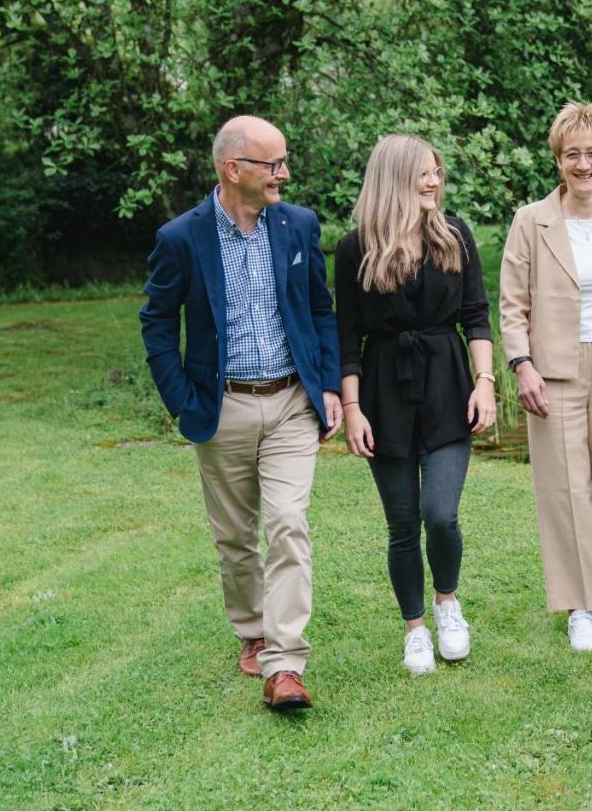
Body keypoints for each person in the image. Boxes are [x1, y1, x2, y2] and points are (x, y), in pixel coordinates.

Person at [140, 115, 342, 711]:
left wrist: (327, 384)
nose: (285, 173)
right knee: (235, 538)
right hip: (221, 405)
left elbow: (321, 311)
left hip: (290, 405)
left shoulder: (298, 225)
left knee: (287, 523)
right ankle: (252, 631)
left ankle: (284, 662)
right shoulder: (182, 238)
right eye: (273, 164)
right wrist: (182, 400)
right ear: (234, 169)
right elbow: (156, 323)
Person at [335, 135, 494, 676]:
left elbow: (475, 314)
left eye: (437, 172)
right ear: (393, 178)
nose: (434, 182)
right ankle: (415, 629)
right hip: (384, 394)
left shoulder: (455, 237)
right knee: (403, 524)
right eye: (423, 173)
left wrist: (486, 380)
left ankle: (448, 603)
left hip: (449, 386)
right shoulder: (356, 248)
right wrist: (352, 409)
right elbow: (346, 337)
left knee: (440, 515)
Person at [499, 102, 592, 653]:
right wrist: (522, 364)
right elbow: (512, 304)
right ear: (558, 160)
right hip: (554, 368)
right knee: (566, 488)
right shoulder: (530, 221)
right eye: (571, 155)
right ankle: (579, 606)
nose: (582, 164)